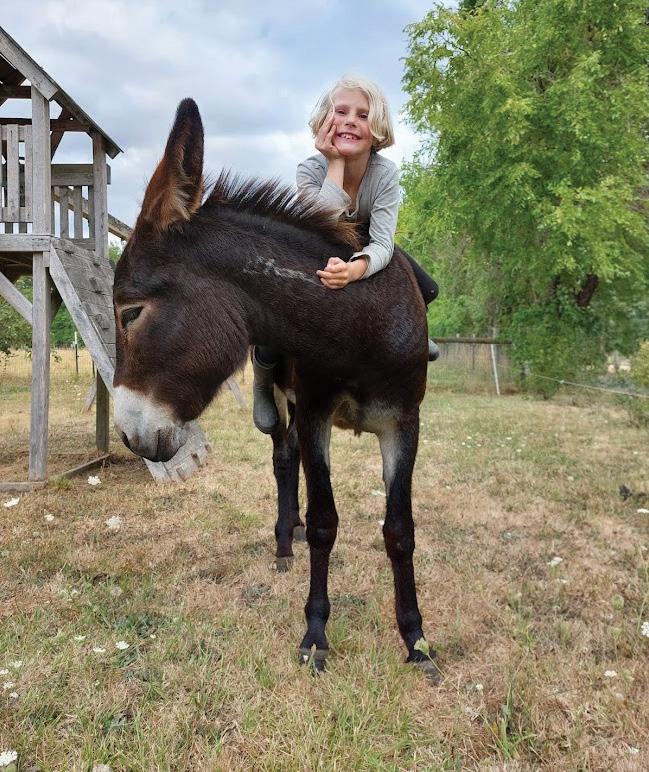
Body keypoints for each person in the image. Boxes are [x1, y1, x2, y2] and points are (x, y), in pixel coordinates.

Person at [253, 75, 439, 434]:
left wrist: (356, 270)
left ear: (378, 129)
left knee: (428, 288)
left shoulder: (385, 174)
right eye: (341, 112)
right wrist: (335, 163)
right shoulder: (310, 169)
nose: (350, 120)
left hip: (367, 246)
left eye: (363, 115)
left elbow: (383, 243)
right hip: (315, 246)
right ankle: (263, 383)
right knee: (273, 304)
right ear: (325, 121)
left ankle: (415, 339)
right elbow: (319, 226)